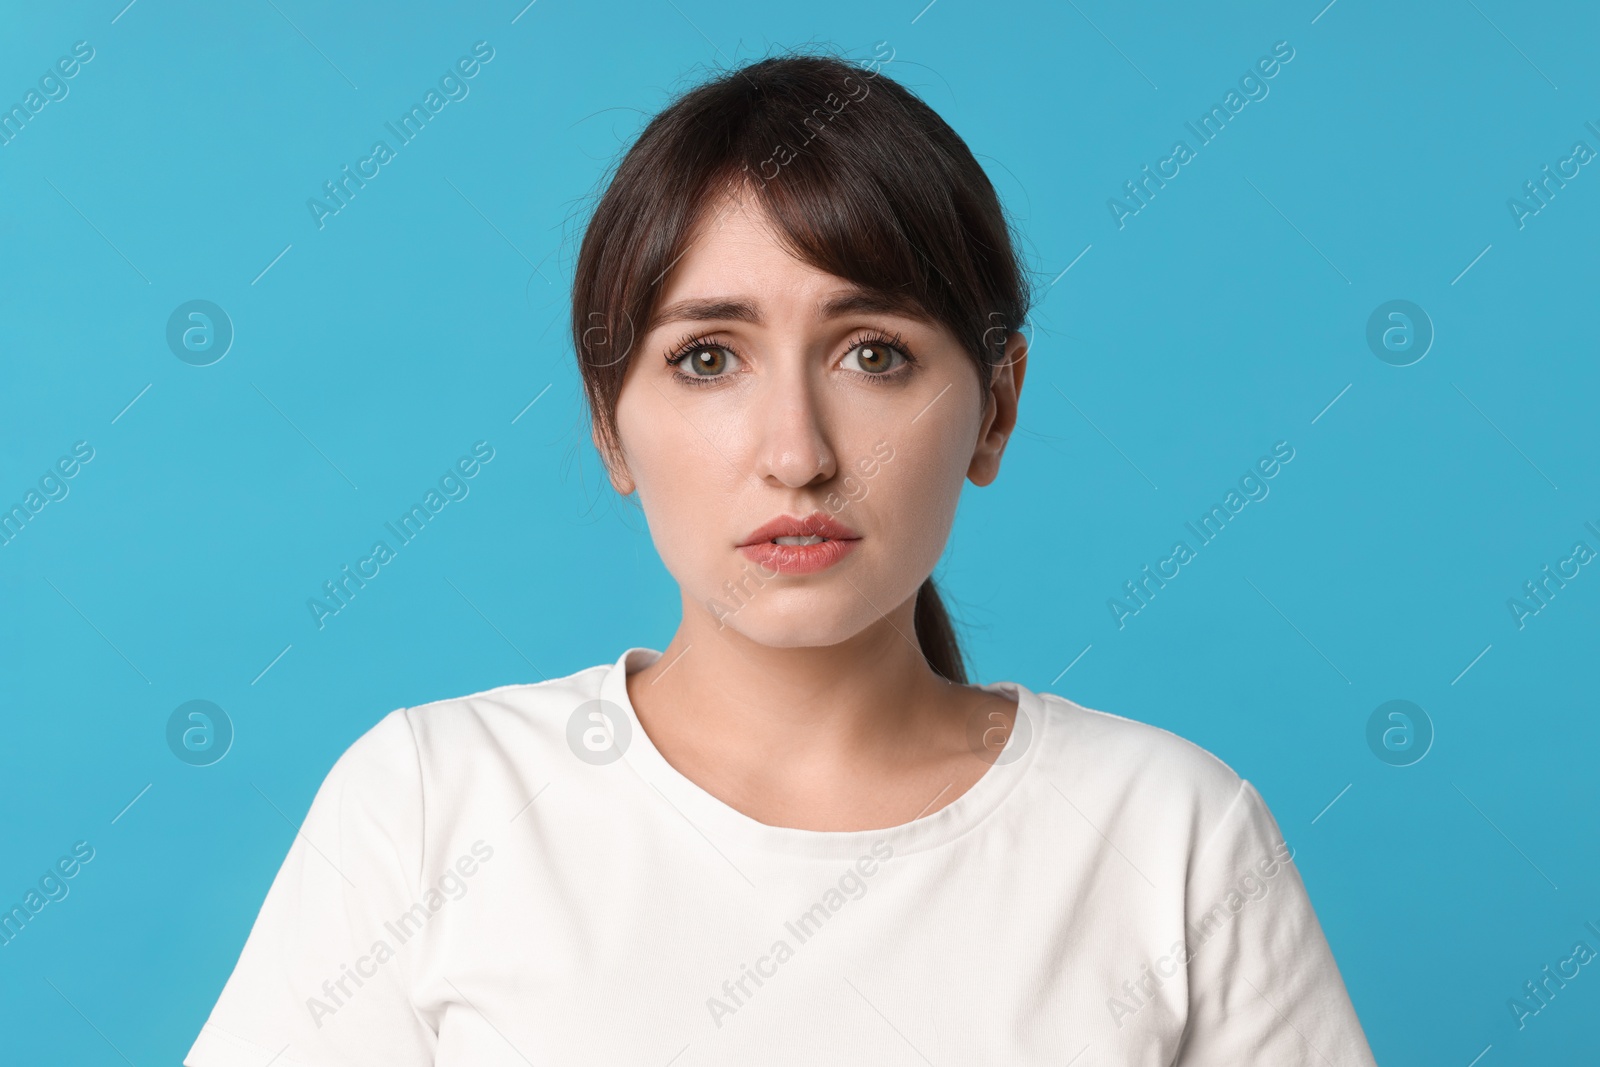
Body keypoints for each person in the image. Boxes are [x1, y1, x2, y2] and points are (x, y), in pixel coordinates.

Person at [185, 49, 1379, 1066]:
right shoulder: (434, 804)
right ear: (609, 422)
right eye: (709, 357)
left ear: (997, 407)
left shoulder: (1171, 833)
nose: (796, 453)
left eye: (873, 354)